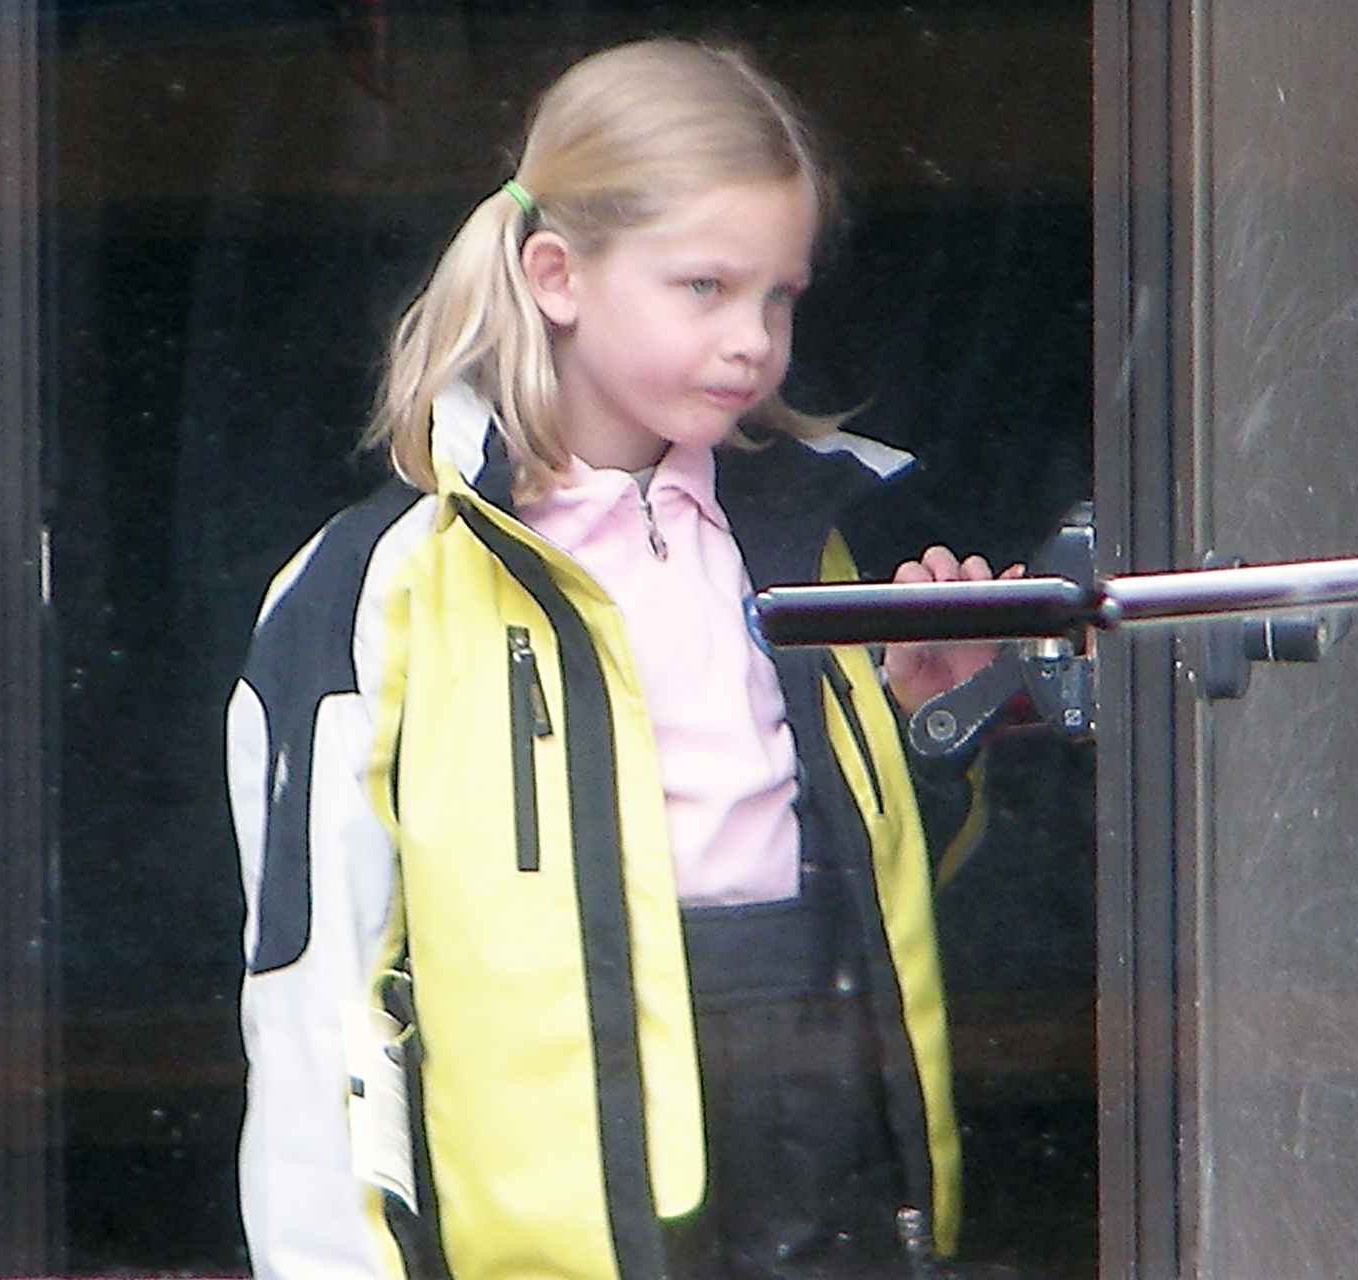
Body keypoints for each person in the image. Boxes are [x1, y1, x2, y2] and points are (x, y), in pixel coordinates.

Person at [226, 37, 1017, 1280]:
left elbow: (876, 885)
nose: (753, 338)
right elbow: (316, 987)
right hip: (547, 1223)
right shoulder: (380, 586)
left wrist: (934, 733)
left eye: (780, 296)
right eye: (704, 286)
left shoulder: (822, 540)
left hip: (825, 1157)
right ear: (557, 274)